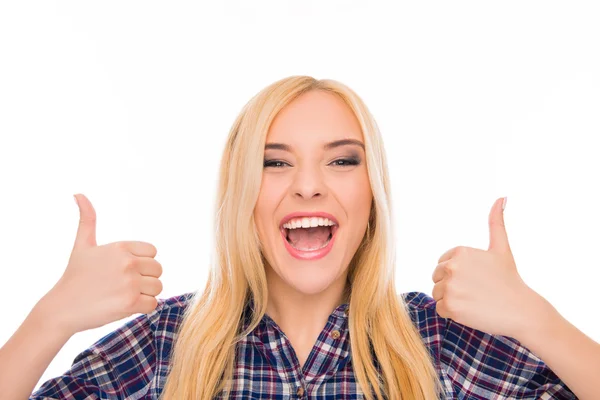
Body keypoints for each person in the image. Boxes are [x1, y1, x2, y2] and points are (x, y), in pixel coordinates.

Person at [0, 75, 595, 399]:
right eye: (275, 163)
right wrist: (48, 319)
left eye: (341, 161)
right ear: (241, 195)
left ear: (372, 198)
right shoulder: (164, 347)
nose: (309, 187)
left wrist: (536, 320)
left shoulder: (439, 344)